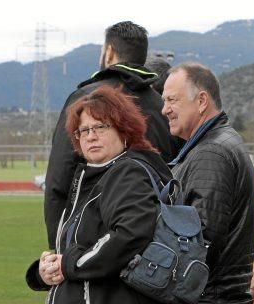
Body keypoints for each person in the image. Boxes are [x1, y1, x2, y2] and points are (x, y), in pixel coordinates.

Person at [26, 86, 196, 304]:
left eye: (100, 127)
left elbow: (129, 236)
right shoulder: (95, 178)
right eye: (83, 130)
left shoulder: (126, 172)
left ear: (124, 129)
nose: (90, 136)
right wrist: (44, 271)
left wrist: (68, 264)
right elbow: (85, 248)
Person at [44, 21, 180, 251]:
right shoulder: (162, 108)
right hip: (151, 249)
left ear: (108, 52)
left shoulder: (84, 100)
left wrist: (59, 251)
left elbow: (59, 179)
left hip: (90, 247)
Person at [162, 62, 254, 304]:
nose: (165, 110)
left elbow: (202, 239)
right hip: (218, 302)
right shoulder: (213, 145)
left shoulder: (211, 153)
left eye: (172, 100)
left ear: (201, 101)